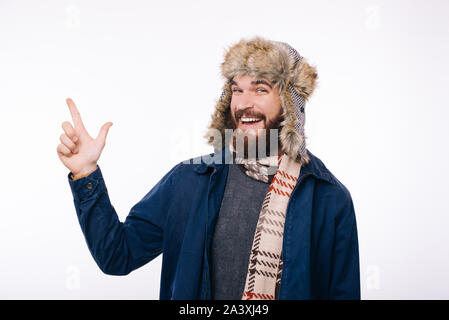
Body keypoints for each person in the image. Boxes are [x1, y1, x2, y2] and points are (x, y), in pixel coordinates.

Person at [57, 36, 360, 300]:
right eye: (237, 90)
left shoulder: (329, 199)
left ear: (291, 104)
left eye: (261, 89)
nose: (244, 103)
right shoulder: (190, 181)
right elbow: (117, 256)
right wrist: (86, 173)